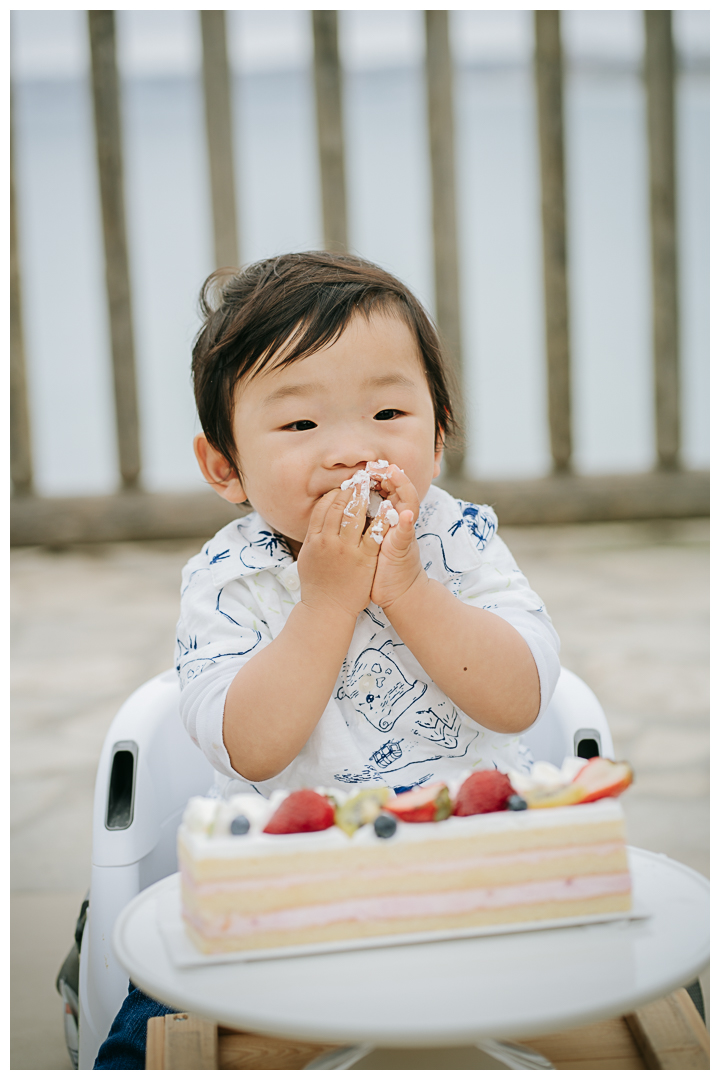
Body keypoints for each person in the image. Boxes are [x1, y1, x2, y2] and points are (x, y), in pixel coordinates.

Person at [94, 250, 560, 1068]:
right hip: (283, 895)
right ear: (225, 467)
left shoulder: (463, 542)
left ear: (440, 435)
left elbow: (520, 698)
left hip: (477, 877)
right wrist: (325, 606)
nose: (350, 450)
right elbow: (254, 745)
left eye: (388, 414)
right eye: (301, 425)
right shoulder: (229, 580)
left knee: (642, 995)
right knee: (158, 1030)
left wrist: (409, 590)